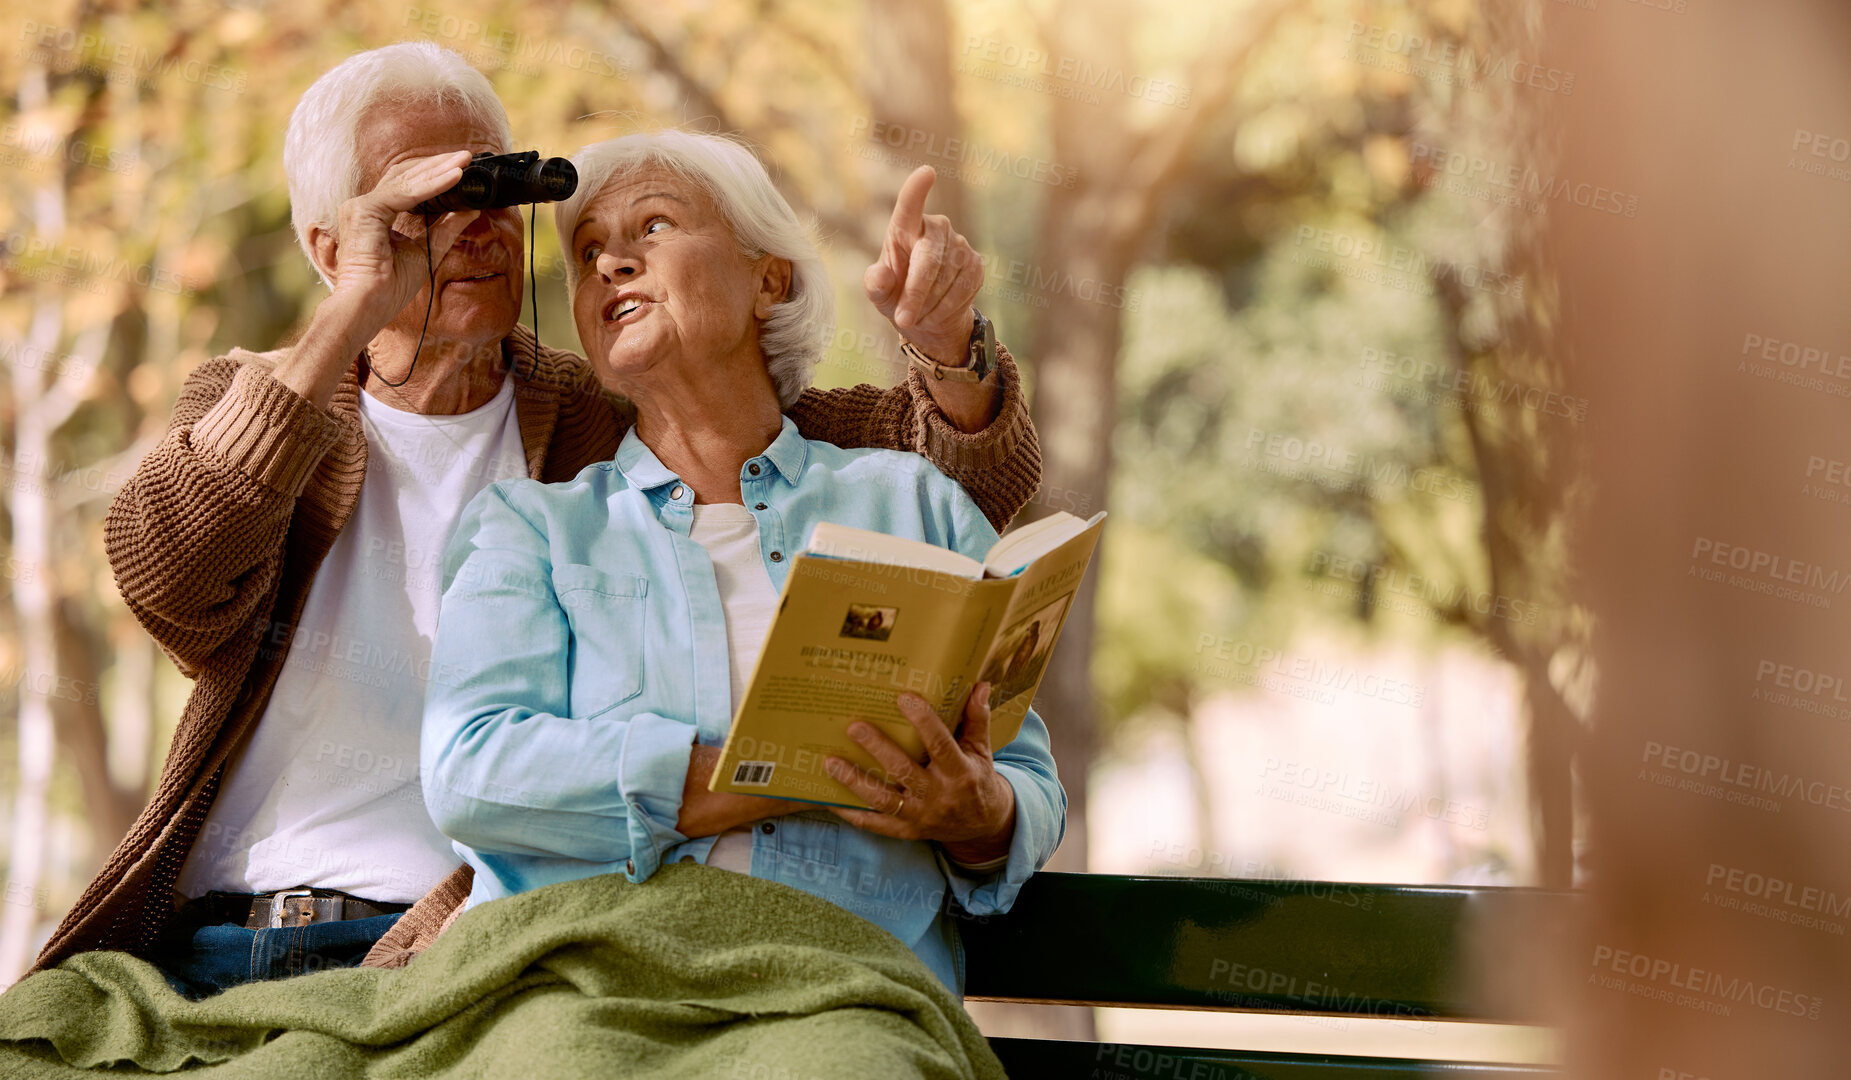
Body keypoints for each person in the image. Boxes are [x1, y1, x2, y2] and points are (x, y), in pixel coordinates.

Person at [36, 42, 1041, 995]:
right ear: (327, 244)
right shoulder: (261, 403)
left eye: (498, 190)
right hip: (223, 930)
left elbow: (919, 470)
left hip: (435, 945)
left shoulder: (606, 414)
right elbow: (167, 577)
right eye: (429, 200)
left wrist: (950, 350)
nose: (478, 224)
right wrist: (351, 308)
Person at [417, 129, 1066, 994]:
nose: (611, 262)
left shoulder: (908, 503)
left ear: (770, 278)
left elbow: (1027, 780)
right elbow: (472, 771)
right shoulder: (530, 527)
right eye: (588, 252)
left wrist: (981, 815)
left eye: (652, 227)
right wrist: (769, 776)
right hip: (590, 980)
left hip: (846, 983)